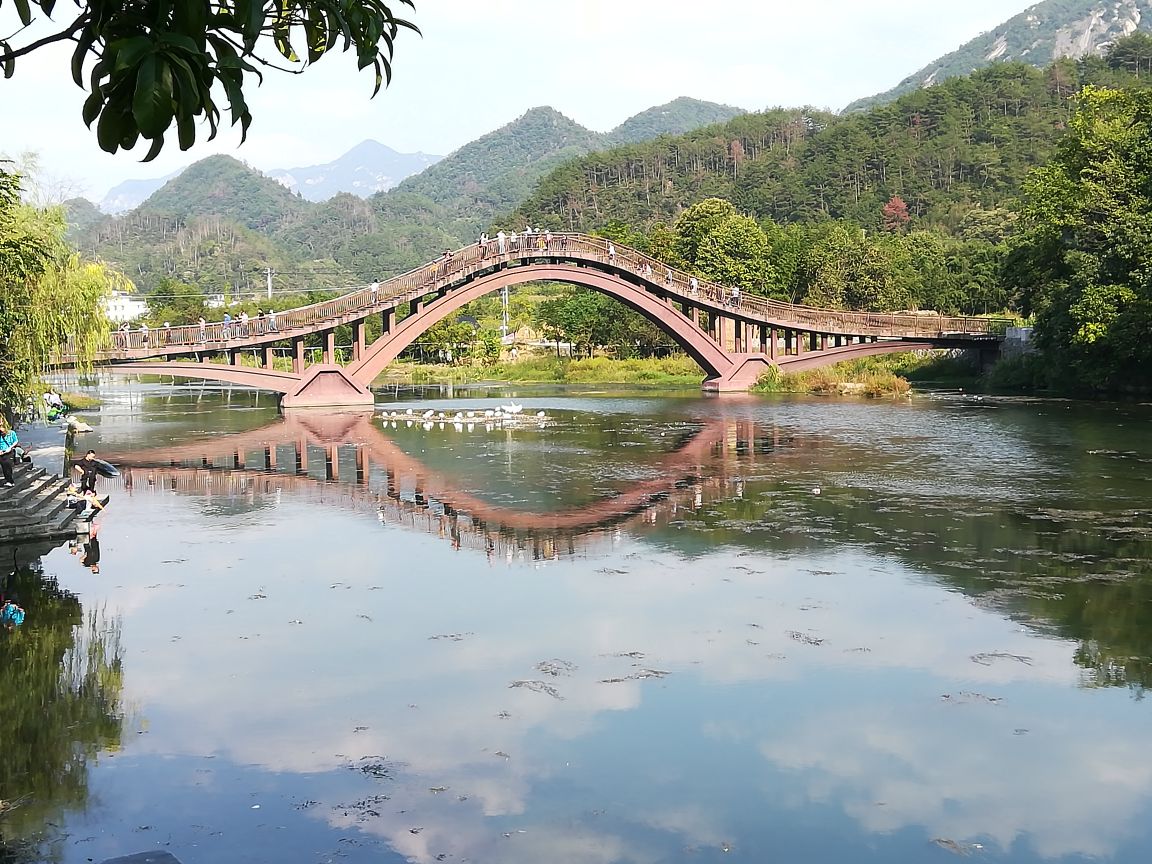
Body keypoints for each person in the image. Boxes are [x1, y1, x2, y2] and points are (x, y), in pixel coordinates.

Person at [0, 417, 18, 487]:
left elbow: (16, 441)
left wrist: (10, 448)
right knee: (4, 467)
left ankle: (10, 481)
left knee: (7, 466)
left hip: (8, 452)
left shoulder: (11, 433)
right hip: (1, 451)